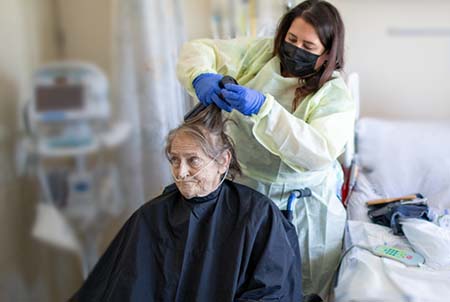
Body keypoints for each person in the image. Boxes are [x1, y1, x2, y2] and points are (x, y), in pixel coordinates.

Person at [176, 0, 355, 300]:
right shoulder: (260, 55)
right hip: (246, 195)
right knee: (244, 283)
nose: (295, 49)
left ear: (327, 54)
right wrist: (200, 75)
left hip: (303, 214)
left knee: (301, 289)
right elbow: (199, 49)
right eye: (292, 39)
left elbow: (316, 152)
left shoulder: (334, 96)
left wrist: (264, 109)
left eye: (308, 45)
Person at [69, 105, 302, 302]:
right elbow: (122, 287)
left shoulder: (258, 215)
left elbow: (270, 292)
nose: (181, 172)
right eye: (174, 160)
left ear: (222, 161)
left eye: (193, 160)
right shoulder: (151, 216)